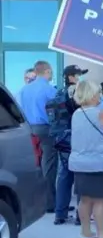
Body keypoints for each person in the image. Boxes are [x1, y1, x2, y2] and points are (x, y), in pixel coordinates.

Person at [68, 80, 103, 238]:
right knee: (100, 201)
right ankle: (102, 236)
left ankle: (85, 232)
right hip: (101, 163)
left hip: (79, 163)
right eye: (98, 93)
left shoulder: (76, 114)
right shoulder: (100, 114)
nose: (100, 96)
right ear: (92, 95)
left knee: (84, 200)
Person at [19, 61, 58, 212]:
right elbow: (56, 113)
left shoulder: (24, 90)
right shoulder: (50, 90)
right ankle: (49, 203)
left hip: (29, 130)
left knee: (35, 164)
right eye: (51, 72)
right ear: (47, 71)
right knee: (49, 165)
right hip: (46, 129)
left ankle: (34, 202)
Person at [54, 65, 87, 225]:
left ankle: (60, 214)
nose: (80, 78)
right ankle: (81, 216)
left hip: (62, 139)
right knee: (80, 176)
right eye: (78, 75)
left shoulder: (58, 92)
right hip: (76, 137)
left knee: (63, 176)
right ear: (71, 77)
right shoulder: (76, 91)